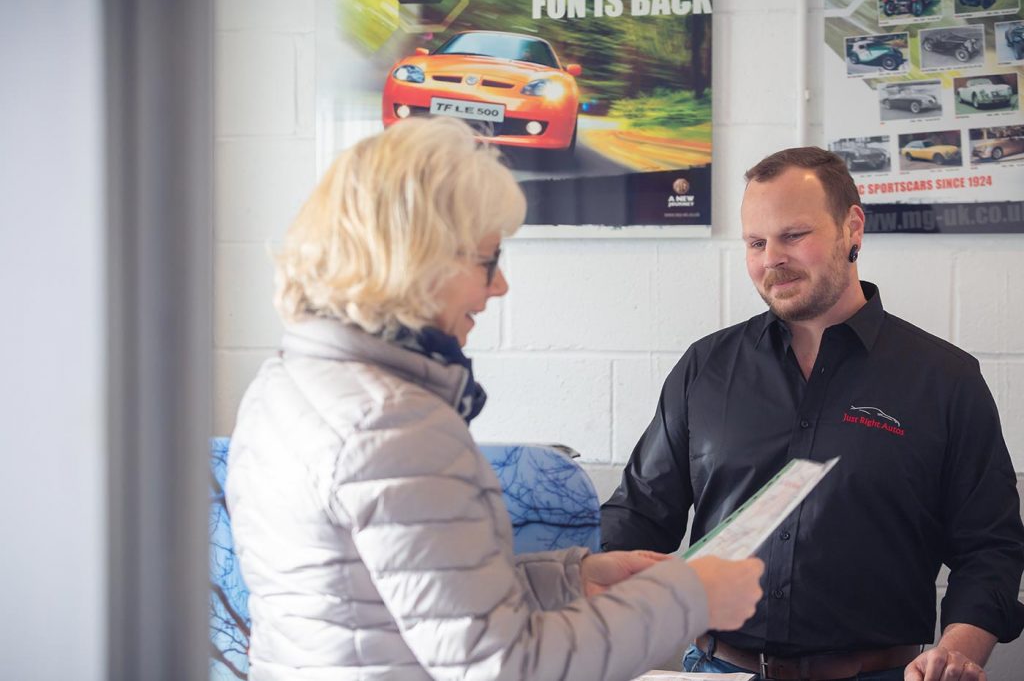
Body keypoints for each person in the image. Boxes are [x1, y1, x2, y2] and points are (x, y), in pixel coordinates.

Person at [225, 116, 764, 681]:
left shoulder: (285, 384)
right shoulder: (392, 424)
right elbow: (505, 664)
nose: (498, 286)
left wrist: (571, 579)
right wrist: (688, 599)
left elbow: (397, 599)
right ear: (417, 260)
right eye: (488, 261)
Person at [601, 146, 1024, 681]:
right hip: (716, 668)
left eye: (792, 236)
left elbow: (991, 547)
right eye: (756, 242)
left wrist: (959, 650)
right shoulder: (704, 368)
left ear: (852, 228)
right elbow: (640, 513)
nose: (770, 258)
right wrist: (562, 580)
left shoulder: (945, 379)